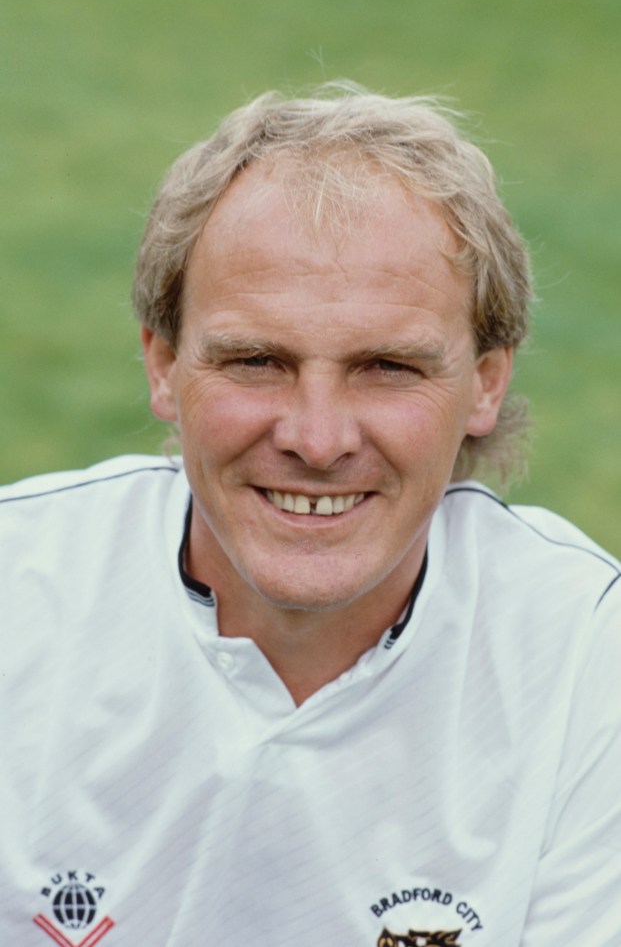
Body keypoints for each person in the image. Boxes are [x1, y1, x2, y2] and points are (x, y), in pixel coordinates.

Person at [1, 83, 619, 947]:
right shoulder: (16, 592)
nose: (317, 439)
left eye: (387, 366)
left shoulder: (588, 660)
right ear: (164, 363)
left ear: (485, 381)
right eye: (256, 360)